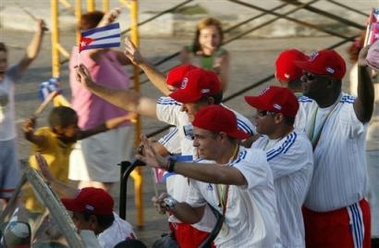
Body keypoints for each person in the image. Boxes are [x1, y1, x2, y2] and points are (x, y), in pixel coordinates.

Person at [74, 63, 255, 247]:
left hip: (222, 230)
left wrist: (169, 165)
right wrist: (93, 86)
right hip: (190, 218)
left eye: (187, 100)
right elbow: (136, 102)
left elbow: (223, 173)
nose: (182, 108)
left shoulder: (242, 135)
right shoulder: (188, 116)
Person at [136, 105, 281, 247]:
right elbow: (194, 214)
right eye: (194, 137)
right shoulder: (200, 168)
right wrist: (170, 203)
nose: (194, 144)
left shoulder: (254, 158)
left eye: (200, 137)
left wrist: (169, 165)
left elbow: (222, 174)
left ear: (221, 137)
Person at [294, 48, 374, 248]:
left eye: (310, 76)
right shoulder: (303, 106)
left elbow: (365, 108)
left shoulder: (348, 110)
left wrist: (363, 71)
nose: (302, 78)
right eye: (303, 73)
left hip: (343, 219)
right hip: (307, 215)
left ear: (329, 82)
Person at [68, 8, 134, 193]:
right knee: (99, 188)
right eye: (107, 31)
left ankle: (83, 220)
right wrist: (106, 21)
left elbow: (130, 57)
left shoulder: (107, 53)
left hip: (114, 128)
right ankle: (88, 221)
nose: (112, 35)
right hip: (97, 129)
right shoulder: (86, 54)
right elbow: (92, 47)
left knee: (95, 185)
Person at [22, 106, 130, 215]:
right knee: (37, 231)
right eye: (74, 126)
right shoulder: (45, 138)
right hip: (37, 200)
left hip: (56, 198)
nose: (78, 128)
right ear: (60, 129)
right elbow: (33, 138)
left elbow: (102, 127)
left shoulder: (70, 137)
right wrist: (28, 133)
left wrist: (125, 117)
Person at [244, 85, 313, 248]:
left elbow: (246, 171)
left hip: (284, 241)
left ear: (278, 118)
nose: (255, 116)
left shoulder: (297, 144)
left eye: (261, 113)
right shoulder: (261, 141)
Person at [35, 152, 137, 248]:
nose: (73, 221)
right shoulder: (113, 219)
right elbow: (75, 194)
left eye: (76, 218)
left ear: (92, 221)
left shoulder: (102, 244)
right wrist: (51, 180)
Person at [0, 19, 46, 207]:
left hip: (9, 143)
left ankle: (9, 233)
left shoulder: (9, 78)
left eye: (4, 60)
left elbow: (29, 57)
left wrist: (39, 34)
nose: (2, 64)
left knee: (11, 198)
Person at [180, 17, 230, 91]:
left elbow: (222, 88)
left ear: (220, 37)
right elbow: (185, 84)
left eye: (214, 36)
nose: (210, 40)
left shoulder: (223, 54)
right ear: (198, 38)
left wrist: (219, 71)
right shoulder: (187, 51)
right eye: (205, 36)